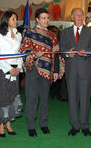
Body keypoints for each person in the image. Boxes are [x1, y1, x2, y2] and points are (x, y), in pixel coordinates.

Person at [19, 8, 59, 137]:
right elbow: (24, 51)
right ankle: (31, 126)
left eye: (47, 18)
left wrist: (56, 71)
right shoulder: (30, 33)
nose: (46, 20)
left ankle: (43, 124)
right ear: (37, 19)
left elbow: (56, 54)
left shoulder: (52, 36)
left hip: (47, 70)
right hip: (33, 69)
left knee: (44, 100)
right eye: (43, 18)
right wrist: (34, 55)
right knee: (31, 99)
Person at [59, 8, 91, 136]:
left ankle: (85, 126)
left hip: (85, 71)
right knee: (72, 99)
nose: (80, 17)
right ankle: (75, 126)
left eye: (82, 15)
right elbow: (61, 50)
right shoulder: (64, 33)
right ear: (72, 17)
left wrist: (86, 52)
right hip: (71, 71)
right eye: (77, 15)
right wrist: (67, 54)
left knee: (85, 99)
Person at [0, 11, 23, 137]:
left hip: (15, 70)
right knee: (2, 96)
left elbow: (20, 53)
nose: (16, 21)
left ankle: (9, 123)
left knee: (12, 95)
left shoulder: (19, 35)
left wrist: (18, 68)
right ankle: (0, 125)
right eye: (13, 19)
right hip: (2, 69)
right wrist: (9, 69)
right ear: (6, 20)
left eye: (16, 19)